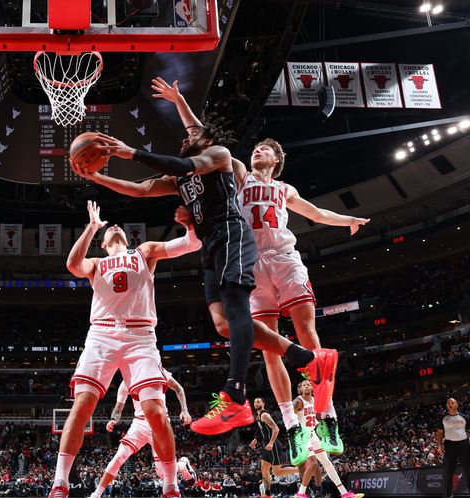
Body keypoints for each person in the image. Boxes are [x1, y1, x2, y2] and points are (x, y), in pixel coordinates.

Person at [74, 123, 338, 449]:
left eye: (190, 136)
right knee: (223, 324)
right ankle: (308, 358)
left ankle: (236, 396)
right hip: (210, 245)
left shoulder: (216, 156)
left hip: (232, 235)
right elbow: (139, 190)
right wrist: (95, 177)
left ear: (207, 140)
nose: (184, 139)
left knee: (237, 309)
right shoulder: (179, 181)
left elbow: (186, 163)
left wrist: (130, 152)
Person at [151, 77, 367, 456]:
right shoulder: (236, 172)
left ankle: (327, 416)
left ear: (276, 161)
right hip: (248, 260)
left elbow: (315, 213)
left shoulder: (286, 190)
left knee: (306, 333)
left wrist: (345, 221)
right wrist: (179, 101)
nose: (258, 151)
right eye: (256, 148)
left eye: (265, 149)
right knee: (269, 347)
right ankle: (292, 425)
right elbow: (200, 136)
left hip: (283, 258)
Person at [43, 201, 201, 498]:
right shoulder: (97, 264)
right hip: (101, 335)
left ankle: (170, 488)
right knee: (83, 404)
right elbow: (73, 264)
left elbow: (191, 244)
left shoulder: (145, 252)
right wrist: (91, 227)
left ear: (126, 239)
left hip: (140, 337)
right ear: (103, 243)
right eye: (108, 230)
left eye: (118, 228)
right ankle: (60, 484)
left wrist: (192, 225)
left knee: (156, 411)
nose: (115, 226)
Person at [81, 369, 196, 498]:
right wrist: (113, 420)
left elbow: (178, 388)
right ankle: (96, 496)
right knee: (119, 457)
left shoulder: (156, 368)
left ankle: (182, 465)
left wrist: (184, 410)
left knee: (161, 472)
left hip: (159, 422)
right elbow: (118, 408)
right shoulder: (126, 382)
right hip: (139, 424)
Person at [292, 381, 363, 498]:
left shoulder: (315, 401)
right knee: (313, 464)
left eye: (309, 384)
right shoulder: (298, 401)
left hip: (313, 434)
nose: (307, 386)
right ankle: (300, 493)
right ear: (300, 390)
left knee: (327, 463)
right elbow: (288, 416)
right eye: (304, 385)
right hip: (302, 435)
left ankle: (344, 493)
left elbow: (318, 417)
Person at [250, 397, 298, 498]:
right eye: (254, 402)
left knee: (277, 472)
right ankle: (267, 495)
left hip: (273, 445)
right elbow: (262, 432)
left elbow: (276, 428)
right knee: (264, 468)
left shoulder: (265, 415)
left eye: (258, 401)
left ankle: (300, 470)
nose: (256, 403)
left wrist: (271, 442)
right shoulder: (258, 417)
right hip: (267, 445)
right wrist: (255, 440)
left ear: (263, 403)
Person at [435, 397, 470, 498]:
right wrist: (440, 446)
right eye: (448, 403)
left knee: (468, 470)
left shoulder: (464, 417)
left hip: (464, 446)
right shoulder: (443, 418)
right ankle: (448, 495)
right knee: (448, 471)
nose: (450, 404)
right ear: (446, 406)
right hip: (449, 446)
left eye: (452, 402)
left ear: (457, 405)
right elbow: (440, 433)